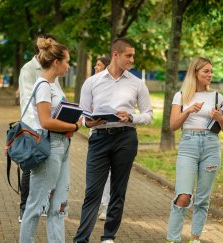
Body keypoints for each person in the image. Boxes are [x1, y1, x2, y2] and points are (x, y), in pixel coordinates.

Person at [74, 37, 153, 243]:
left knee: (118, 190)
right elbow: (82, 115)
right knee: (93, 191)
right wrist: (88, 123)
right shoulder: (92, 82)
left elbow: (148, 114)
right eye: (129, 55)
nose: (132, 60)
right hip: (99, 138)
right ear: (115, 55)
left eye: (133, 56)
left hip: (126, 138)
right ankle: (81, 239)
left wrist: (132, 117)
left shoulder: (137, 84)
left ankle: (108, 236)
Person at [19, 37, 82, 242]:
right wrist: (73, 125)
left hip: (62, 146)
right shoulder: (44, 85)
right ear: (56, 62)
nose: (68, 66)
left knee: (59, 205)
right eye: (67, 61)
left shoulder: (54, 85)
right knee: (36, 205)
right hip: (50, 146)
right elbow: (46, 121)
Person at [166, 57, 223, 243]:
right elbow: (172, 125)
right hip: (188, 144)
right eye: (206, 71)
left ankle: (195, 239)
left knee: (203, 198)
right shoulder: (181, 95)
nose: (210, 75)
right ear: (195, 72)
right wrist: (188, 111)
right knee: (184, 195)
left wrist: (220, 118)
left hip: (211, 145)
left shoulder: (217, 97)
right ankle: (173, 239)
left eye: (211, 71)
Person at [17, 34, 60, 223]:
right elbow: (27, 100)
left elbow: (56, 96)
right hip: (33, 126)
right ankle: (24, 208)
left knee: (46, 167)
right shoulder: (28, 68)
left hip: (48, 125)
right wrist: (37, 127)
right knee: (30, 167)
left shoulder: (52, 69)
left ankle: (42, 203)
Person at [92, 56, 112, 221]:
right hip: (95, 132)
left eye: (98, 65)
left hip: (112, 132)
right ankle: (98, 204)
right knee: (98, 174)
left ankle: (106, 206)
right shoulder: (91, 83)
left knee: (110, 175)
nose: (95, 67)